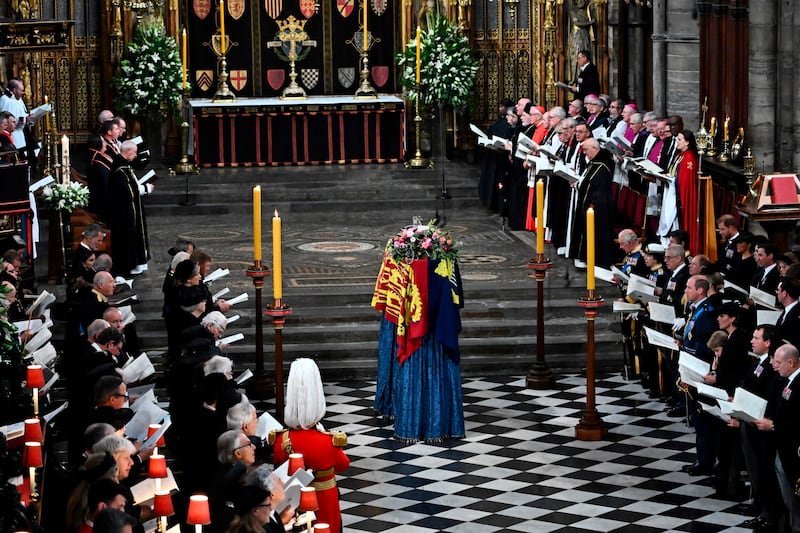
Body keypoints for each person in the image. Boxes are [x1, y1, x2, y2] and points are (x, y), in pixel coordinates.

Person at [271, 358, 349, 533]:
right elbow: (343, 465)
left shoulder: (282, 440)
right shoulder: (328, 441)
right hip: (325, 501)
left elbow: (278, 465)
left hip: (295, 502)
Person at [754, 343, 800, 532]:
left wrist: (773, 425)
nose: (775, 365)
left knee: (793, 495)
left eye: (779, 362)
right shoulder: (789, 379)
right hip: (783, 446)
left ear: (791, 362)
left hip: (793, 450)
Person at [568, 138, 615, 268]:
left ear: (595, 148)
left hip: (598, 206)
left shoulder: (603, 165)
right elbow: (586, 181)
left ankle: (593, 258)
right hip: (589, 202)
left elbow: (599, 187)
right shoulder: (595, 162)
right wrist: (578, 184)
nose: (584, 153)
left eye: (586, 150)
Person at [108, 140, 150, 276]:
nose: (136, 155)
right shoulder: (120, 169)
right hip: (126, 212)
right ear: (127, 151)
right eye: (134, 152)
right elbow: (127, 192)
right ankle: (130, 264)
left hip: (132, 209)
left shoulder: (124, 165)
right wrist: (144, 189)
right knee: (129, 238)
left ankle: (138, 263)